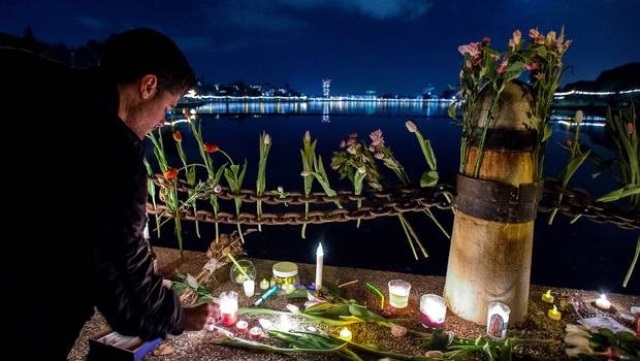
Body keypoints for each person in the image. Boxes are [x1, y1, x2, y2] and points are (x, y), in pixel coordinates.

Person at [2, 28, 218, 360]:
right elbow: (123, 276)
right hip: (31, 313)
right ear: (148, 86)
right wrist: (181, 317)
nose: (164, 121)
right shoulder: (111, 150)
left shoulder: (30, 78)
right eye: (168, 107)